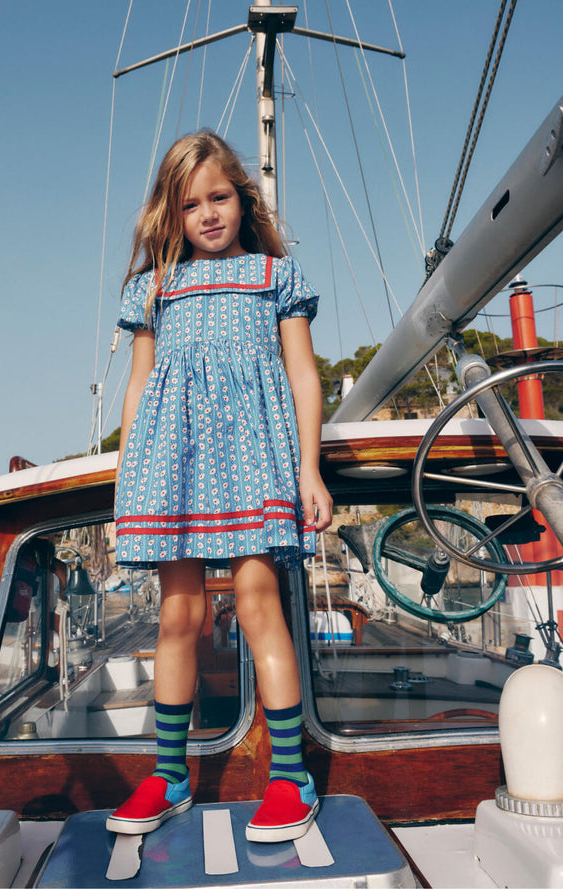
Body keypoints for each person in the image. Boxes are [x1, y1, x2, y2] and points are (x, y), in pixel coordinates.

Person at [107, 130, 332, 843]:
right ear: (170, 214)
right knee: (179, 615)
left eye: (220, 197)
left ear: (243, 198)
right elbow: (139, 384)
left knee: (260, 605)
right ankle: (169, 774)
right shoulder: (154, 289)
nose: (207, 213)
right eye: (190, 203)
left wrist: (310, 467)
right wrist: (128, 475)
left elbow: (302, 375)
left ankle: (290, 778)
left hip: (256, 458)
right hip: (172, 466)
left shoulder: (275, 278)